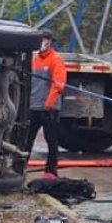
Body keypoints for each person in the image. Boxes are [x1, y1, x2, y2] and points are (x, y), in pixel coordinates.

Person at [26, 29, 67, 179]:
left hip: (49, 108)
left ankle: (51, 171)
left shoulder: (56, 60)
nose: (44, 42)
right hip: (34, 106)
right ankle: (21, 166)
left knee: (51, 140)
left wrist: (48, 104)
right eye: (42, 39)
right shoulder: (35, 59)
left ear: (50, 41)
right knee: (27, 140)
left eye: (46, 39)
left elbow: (58, 85)